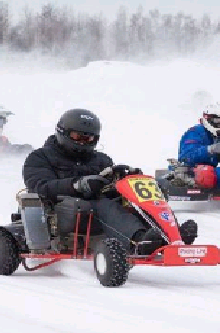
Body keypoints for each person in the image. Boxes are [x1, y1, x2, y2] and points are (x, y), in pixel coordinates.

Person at [22, 108, 197, 254]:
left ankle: (171, 237)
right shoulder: (40, 157)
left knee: (132, 201)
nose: (83, 142)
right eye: (77, 137)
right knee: (99, 203)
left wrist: (127, 180)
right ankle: (138, 241)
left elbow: (112, 188)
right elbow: (39, 187)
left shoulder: (101, 160)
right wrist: (77, 185)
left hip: (97, 212)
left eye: (89, 138)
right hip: (62, 211)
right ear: (63, 132)